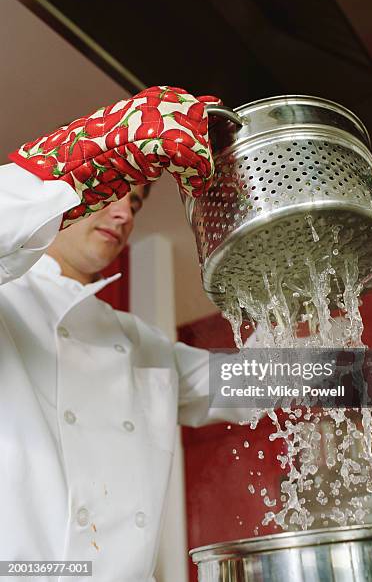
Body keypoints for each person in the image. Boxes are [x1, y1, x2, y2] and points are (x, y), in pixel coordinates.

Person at [0, 86, 247, 581]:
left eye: (134, 203)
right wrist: (96, 148)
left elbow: (249, 384)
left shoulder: (134, 339)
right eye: (113, 194)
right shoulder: (7, 301)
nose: (125, 215)